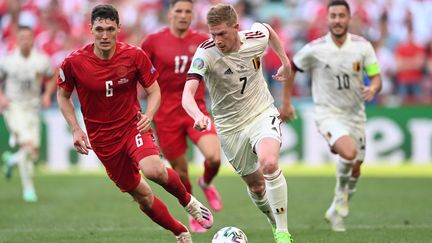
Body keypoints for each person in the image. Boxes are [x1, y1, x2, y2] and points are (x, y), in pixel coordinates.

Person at [56, 4, 213, 243]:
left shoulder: (134, 55)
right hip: (103, 141)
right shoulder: (74, 62)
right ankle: (179, 230)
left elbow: (154, 91)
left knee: (154, 170)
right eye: (99, 29)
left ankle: (188, 202)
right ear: (91, 29)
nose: (105, 35)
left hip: (132, 127)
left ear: (119, 28)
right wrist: (76, 128)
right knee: (143, 196)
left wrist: (149, 114)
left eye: (110, 29)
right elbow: (62, 95)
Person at [182, 4, 295, 243]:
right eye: (212, 34)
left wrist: (284, 60)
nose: (217, 39)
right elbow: (187, 95)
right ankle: (273, 221)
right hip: (230, 126)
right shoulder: (206, 53)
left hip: (261, 112)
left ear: (236, 27)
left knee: (269, 163)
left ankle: (283, 233)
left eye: (222, 33)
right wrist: (197, 116)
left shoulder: (254, 38)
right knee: (256, 186)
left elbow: (268, 30)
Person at [285, 0, 382, 232]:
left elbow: (376, 77)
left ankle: (336, 209)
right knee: (348, 153)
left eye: (341, 16)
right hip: (327, 112)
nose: (337, 20)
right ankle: (340, 198)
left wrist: (373, 88)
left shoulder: (363, 47)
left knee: (356, 169)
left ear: (349, 19)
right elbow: (291, 67)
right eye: (333, 16)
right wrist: (286, 102)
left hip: (355, 115)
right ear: (327, 19)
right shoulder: (315, 49)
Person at [140, 0, 222, 233]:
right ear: (170, 13)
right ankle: (195, 211)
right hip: (165, 116)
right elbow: (138, 72)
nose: (184, 15)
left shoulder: (202, 41)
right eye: (179, 11)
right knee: (181, 171)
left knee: (214, 157)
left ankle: (206, 182)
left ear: (193, 14)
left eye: (188, 11)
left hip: (195, 110)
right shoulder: (153, 42)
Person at [0, 25, 56, 202]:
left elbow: (53, 75)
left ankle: (11, 161)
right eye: (21, 37)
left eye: (28, 37)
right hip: (14, 107)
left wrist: (47, 94)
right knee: (28, 146)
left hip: (33, 108)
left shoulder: (41, 60)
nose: (25, 40)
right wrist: (1, 97)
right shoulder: (8, 61)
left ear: (33, 39)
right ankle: (28, 189)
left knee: (33, 152)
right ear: (17, 40)